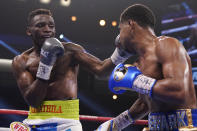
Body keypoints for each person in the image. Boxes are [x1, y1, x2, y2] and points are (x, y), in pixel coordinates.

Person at [11, 9, 131, 131]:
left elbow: (101, 70)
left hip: (66, 123)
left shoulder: (70, 51)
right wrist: (46, 64)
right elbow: (33, 101)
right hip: (34, 122)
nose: (47, 29)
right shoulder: (21, 61)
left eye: (51, 26)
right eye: (40, 26)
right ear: (29, 31)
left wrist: (120, 53)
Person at [96, 4, 197, 131]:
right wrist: (116, 124)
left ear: (131, 24)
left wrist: (135, 80)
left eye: (120, 29)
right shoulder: (139, 63)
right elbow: (145, 103)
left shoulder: (167, 44)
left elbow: (179, 90)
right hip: (155, 126)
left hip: (183, 126)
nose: (119, 36)